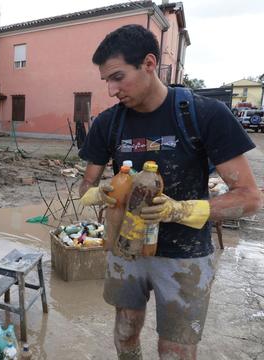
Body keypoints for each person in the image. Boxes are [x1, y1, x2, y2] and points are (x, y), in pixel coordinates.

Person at [78, 25, 262, 359]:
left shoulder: (203, 114)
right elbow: (86, 185)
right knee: (125, 333)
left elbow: (249, 197)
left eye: (118, 77)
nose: (110, 90)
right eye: (106, 80)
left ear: (149, 63)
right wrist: (98, 193)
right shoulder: (109, 123)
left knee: (175, 349)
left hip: (185, 255)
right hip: (126, 250)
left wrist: (179, 210)